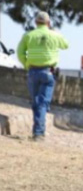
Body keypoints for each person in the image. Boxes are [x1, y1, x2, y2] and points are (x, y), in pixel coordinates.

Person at [16, 11, 69, 141]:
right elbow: (66, 45)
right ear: (48, 23)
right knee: (42, 102)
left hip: (33, 71)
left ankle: (38, 130)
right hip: (48, 72)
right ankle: (39, 133)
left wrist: (26, 64)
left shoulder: (28, 35)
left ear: (36, 22)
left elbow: (19, 52)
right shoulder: (54, 35)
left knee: (36, 102)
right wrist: (56, 34)